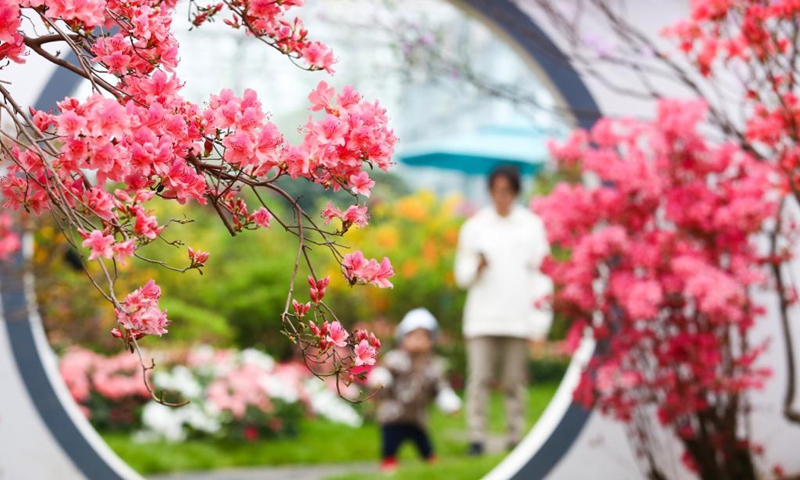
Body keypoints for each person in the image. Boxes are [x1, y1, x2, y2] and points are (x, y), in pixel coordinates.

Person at [454, 165, 552, 456]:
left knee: (513, 382)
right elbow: (462, 274)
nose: (502, 197)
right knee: (479, 381)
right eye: (497, 191)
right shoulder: (476, 226)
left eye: (507, 191)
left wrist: (540, 322)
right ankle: (477, 436)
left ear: (516, 192)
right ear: (490, 191)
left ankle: (514, 435)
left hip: (518, 318)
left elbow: (542, 275)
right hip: (482, 318)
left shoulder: (531, 225)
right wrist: (477, 267)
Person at [367, 308, 462, 473]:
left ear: (431, 340)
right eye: (413, 336)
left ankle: (431, 460)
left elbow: (440, 388)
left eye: (423, 337)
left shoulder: (433, 366)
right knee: (390, 442)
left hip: (417, 417)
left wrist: (450, 404)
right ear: (403, 337)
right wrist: (379, 381)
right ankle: (389, 463)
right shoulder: (396, 359)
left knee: (424, 443)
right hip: (393, 415)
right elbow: (385, 373)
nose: (417, 341)